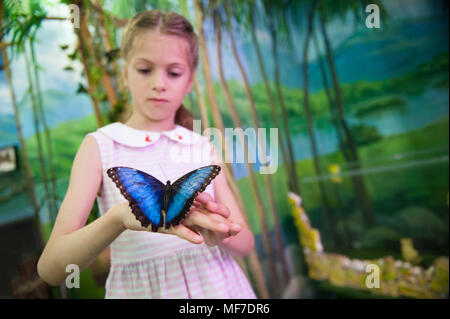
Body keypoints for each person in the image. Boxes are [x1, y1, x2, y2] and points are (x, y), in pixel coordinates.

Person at [37, 10, 256, 299]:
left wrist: (222, 236)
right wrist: (117, 218)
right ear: (125, 74)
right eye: (144, 69)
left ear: (189, 82)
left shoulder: (203, 148)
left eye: (174, 72)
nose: (159, 83)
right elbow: (53, 270)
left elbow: (246, 244)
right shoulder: (100, 147)